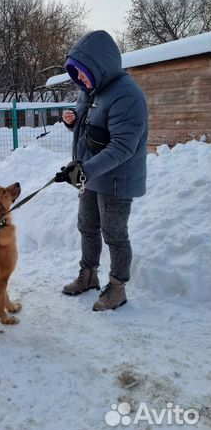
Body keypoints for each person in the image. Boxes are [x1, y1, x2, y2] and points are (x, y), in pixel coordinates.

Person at [55, 30, 148, 311]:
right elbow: (90, 127)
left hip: (117, 179)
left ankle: (117, 288)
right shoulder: (90, 90)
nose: (79, 80)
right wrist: (72, 121)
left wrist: (84, 170)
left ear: (100, 65)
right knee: (87, 227)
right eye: (76, 74)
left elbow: (123, 146)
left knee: (114, 234)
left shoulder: (127, 95)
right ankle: (88, 275)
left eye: (83, 73)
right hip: (92, 174)